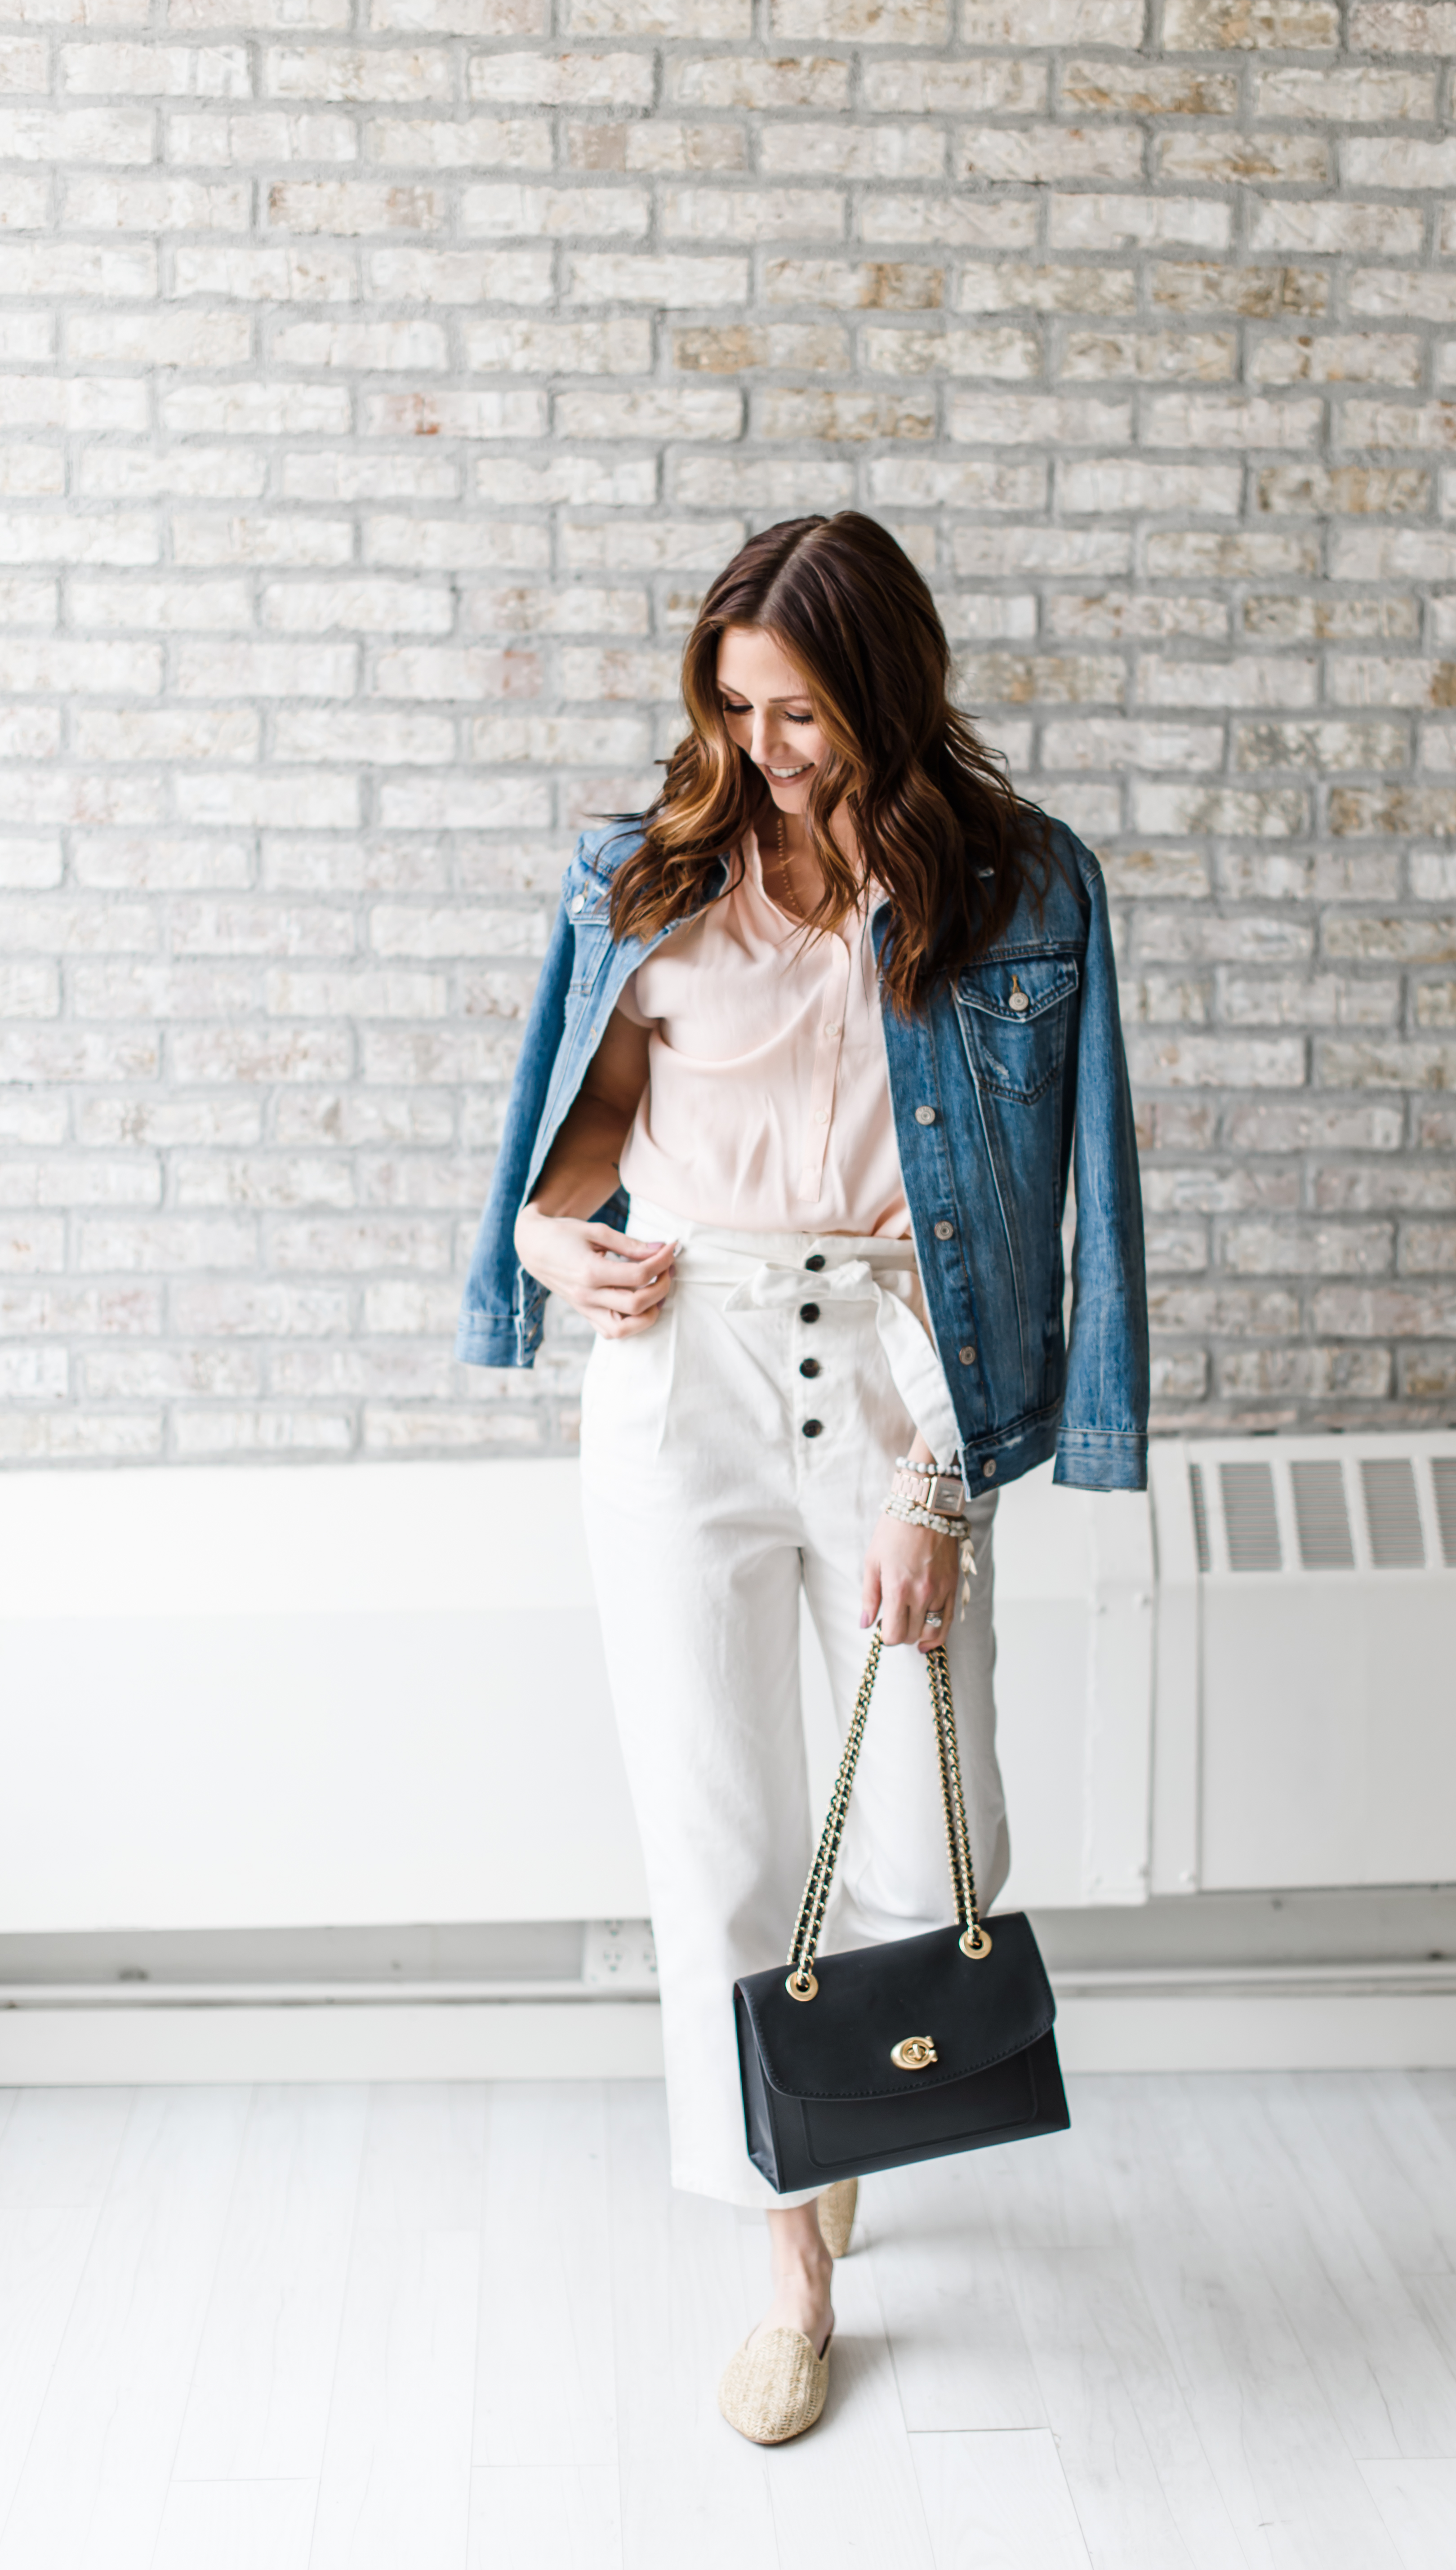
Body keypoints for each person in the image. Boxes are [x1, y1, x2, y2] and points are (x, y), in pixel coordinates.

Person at [457, 512, 1147, 2443]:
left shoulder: (1023, 891)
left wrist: (950, 1487)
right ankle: (789, 2247)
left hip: (899, 1368)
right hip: (678, 1363)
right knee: (717, 1831)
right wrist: (544, 1247)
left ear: (892, 687)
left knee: (937, 1842)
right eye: (740, 707)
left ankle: (827, 2084)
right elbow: (571, 1138)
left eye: (809, 708)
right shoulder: (648, 876)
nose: (771, 746)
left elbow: (1049, 1217)